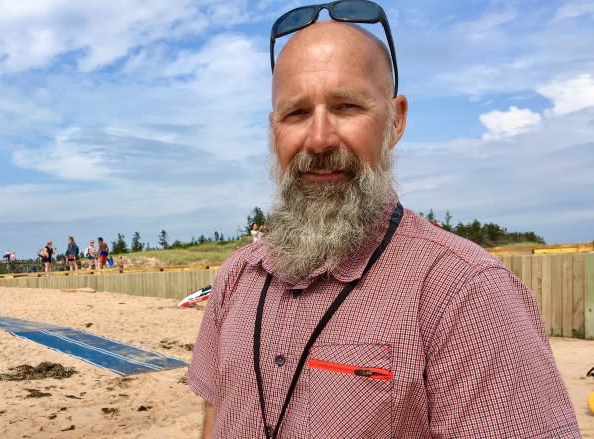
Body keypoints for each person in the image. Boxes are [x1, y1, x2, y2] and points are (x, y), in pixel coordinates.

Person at [187, 7, 578, 439]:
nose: (318, 139)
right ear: (273, 129)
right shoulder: (236, 278)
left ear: (396, 121)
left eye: (346, 106)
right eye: (296, 113)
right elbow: (214, 417)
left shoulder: (465, 295)